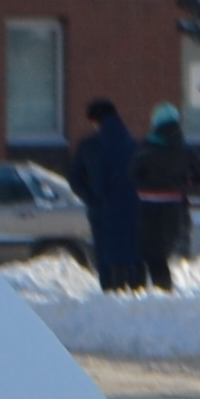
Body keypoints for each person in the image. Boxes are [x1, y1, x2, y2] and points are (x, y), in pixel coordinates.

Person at [68, 98, 141, 287]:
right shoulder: (133, 144)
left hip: (103, 211)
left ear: (95, 120)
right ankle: (134, 290)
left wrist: (91, 199)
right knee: (132, 253)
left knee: (107, 256)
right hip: (133, 209)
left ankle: (111, 292)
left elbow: (75, 179)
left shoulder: (89, 146)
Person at [130, 104, 195, 292]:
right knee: (162, 253)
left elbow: (133, 173)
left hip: (149, 207)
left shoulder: (147, 147)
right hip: (174, 207)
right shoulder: (183, 149)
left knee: (148, 252)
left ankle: (149, 290)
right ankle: (163, 289)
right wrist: (184, 181)